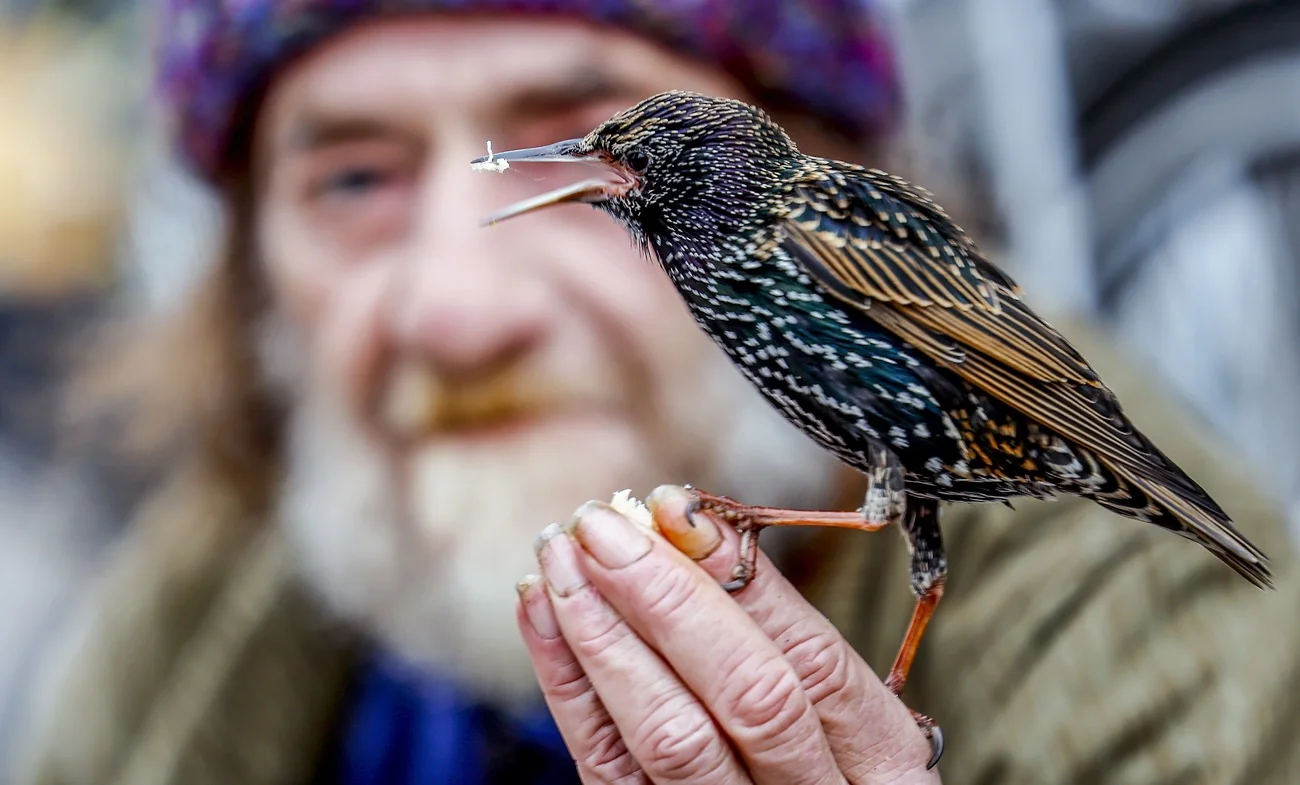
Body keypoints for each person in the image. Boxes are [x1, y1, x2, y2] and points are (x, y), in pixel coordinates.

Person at [10, 2, 1300, 784]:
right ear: (246, 277)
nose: (460, 313)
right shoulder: (192, 626)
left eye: (586, 124)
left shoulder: (1150, 650)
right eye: (354, 179)